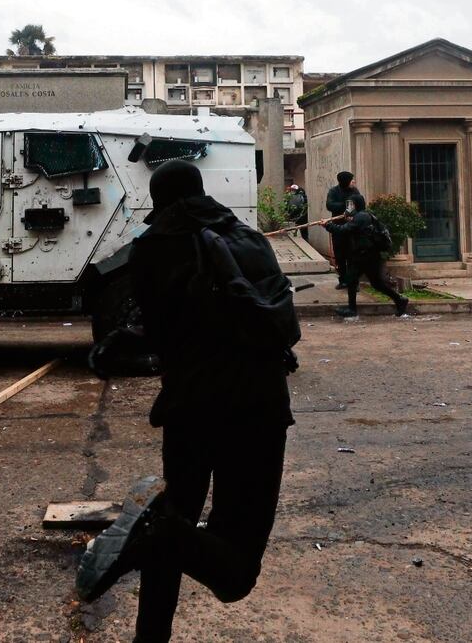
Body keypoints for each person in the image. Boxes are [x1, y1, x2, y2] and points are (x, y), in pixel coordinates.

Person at [75, 160, 298, 642]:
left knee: (174, 526)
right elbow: (281, 328)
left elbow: (165, 335)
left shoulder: (152, 248)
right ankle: (157, 533)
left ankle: (150, 629)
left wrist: (121, 341)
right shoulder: (251, 240)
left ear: (160, 201)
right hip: (257, 412)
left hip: (190, 410)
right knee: (235, 570)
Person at [325, 193, 408, 318]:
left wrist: (328, 225)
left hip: (366, 255)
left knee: (352, 280)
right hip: (368, 254)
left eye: (352, 204)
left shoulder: (361, 216)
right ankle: (399, 300)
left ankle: (352, 310)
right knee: (375, 283)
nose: (349, 207)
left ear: (358, 204)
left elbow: (344, 230)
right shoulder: (363, 216)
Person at [326, 171, 358, 289]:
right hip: (338, 228)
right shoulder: (334, 191)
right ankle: (343, 280)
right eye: (351, 180)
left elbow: (360, 204)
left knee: (352, 256)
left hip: (352, 228)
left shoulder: (354, 191)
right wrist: (345, 206)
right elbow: (330, 205)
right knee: (340, 256)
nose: (353, 182)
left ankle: (353, 282)